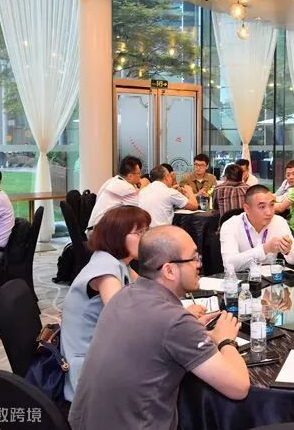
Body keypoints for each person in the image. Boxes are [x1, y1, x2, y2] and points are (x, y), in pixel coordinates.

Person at [68, 226, 249, 430]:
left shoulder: (124, 295)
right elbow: (238, 387)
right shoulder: (174, 321)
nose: (199, 264)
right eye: (193, 258)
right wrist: (226, 340)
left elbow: (153, 337)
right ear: (169, 270)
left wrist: (193, 332)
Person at [60, 206, 149, 402]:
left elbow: (148, 291)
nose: (146, 238)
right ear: (118, 236)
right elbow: (122, 320)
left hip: (104, 353)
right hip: (90, 371)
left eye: (147, 231)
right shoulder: (106, 270)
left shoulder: (120, 263)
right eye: (139, 232)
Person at [220, 185, 294, 270]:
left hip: (271, 276)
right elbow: (229, 264)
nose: (269, 212)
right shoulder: (230, 225)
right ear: (247, 209)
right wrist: (264, 249)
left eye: (272, 205)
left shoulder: (279, 222)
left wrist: (288, 251)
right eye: (262, 207)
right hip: (241, 277)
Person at [87, 156, 143, 229]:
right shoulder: (125, 187)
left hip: (95, 226)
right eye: (139, 173)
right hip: (100, 229)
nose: (140, 175)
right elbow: (141, 206)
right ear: (130, 176)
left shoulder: (112, 181)